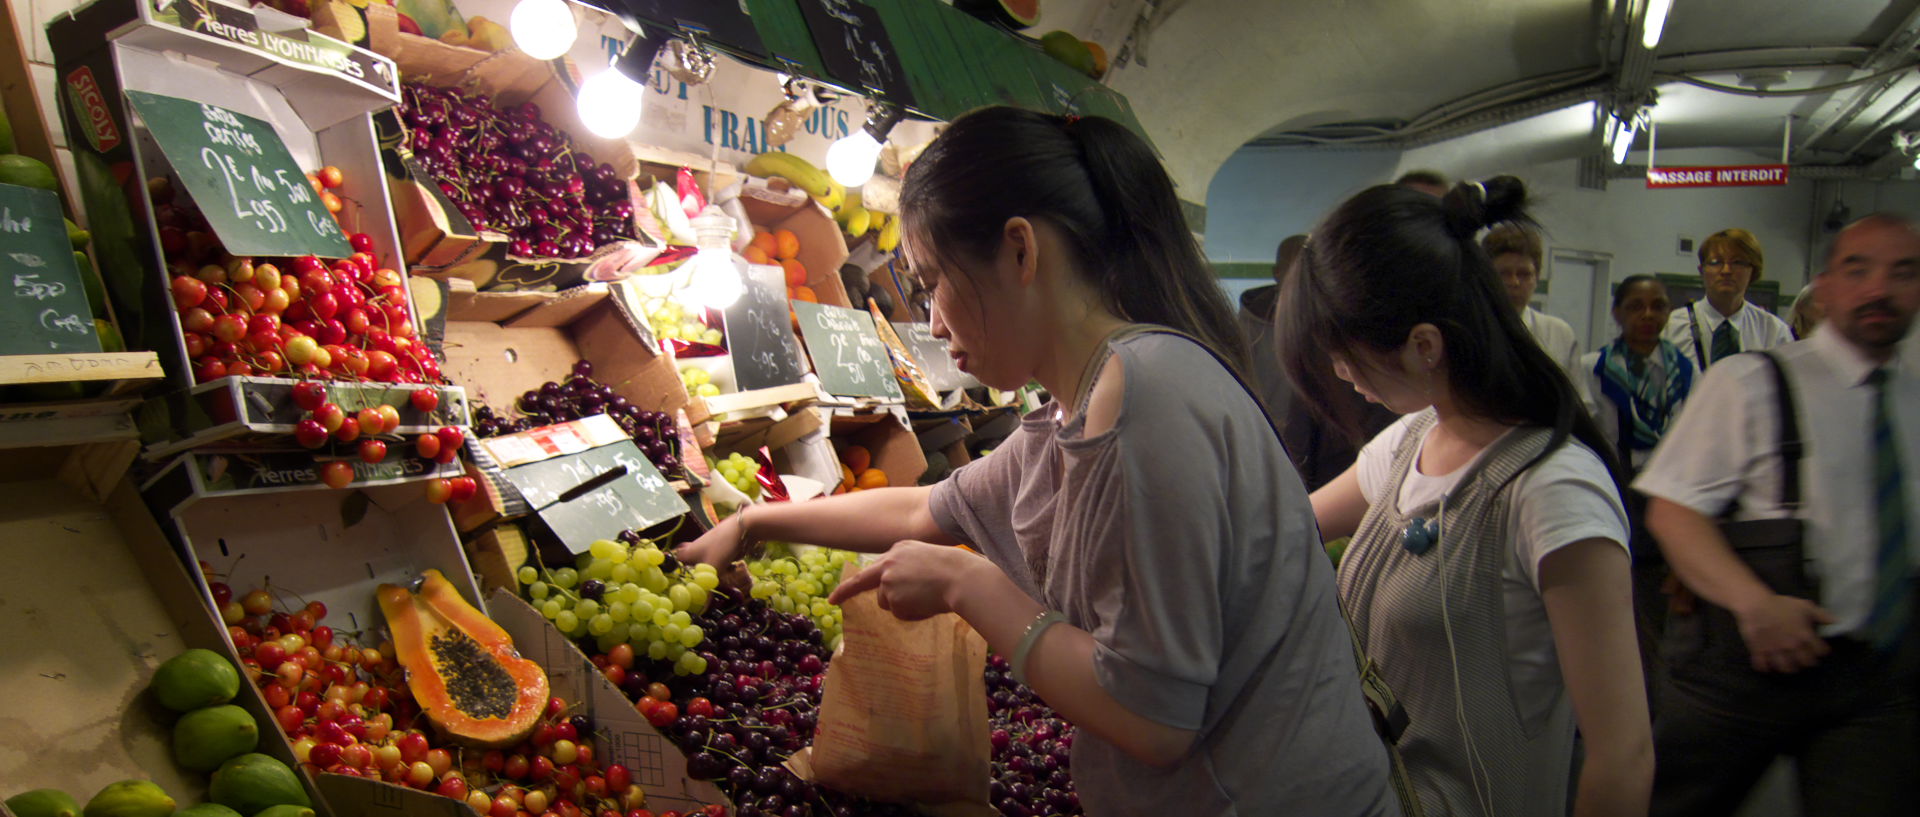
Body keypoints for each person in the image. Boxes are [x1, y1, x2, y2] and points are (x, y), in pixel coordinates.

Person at [680, 107, 1395, 816]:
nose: (930, 323)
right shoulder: (1077, 407)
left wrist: (969, 583)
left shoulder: (1144, 401)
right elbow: (924, 508)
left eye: (933, 284)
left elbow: (1154, 719)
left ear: (1021, 251)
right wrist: (752, 523)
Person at [1281, 175, 1652, 816]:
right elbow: (1292, 525)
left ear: (1424, 345)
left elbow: (1623, 758)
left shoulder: (1551, 489)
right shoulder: (1411, 440)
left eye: (1345, 356)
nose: (1341, 374)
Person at [1634, 213, 1920, 817]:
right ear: (1827, 285)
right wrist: (1753, 603)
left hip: (1877, 680)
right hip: (1742, 668)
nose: (1878, 289)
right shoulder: (1753, 380)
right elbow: (1673, 510)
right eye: (1858, 269)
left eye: (1903, 273)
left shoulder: (1914, 403)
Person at [1573, 275, 1696, 686]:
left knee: (1656, 596)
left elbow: (1689, 434)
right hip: (1613, 488)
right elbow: (1586, 435)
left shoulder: (1683, 369)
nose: (1648, 315)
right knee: (1610, 589)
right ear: (1617, 313)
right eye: (1635, 306)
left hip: (1665, 492)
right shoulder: (1595, 367)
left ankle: (1653, 684)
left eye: (1658, 306)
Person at [1662, 228, 1794, 370]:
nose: (1726, 270)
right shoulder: (1671, 327)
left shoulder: (1773, 332)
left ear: (1753, 271)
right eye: (1716, 262)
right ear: (1702, 271)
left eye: (1737, 262)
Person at [1484, 223, 1581, 373]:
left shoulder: (1558, 334)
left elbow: (1577, 394)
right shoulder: (1467, 330)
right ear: (1485, 277)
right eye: (1503, 273)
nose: (1513, 282)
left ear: (1536, 278)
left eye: (1524, 274)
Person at [1236, 234, 1308, 423]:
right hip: (1265, 435)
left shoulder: (1335, 323)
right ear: (1277, 273)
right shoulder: (1246, 331)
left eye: (1312, 269)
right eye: (1296, 269)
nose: (1306, 278)